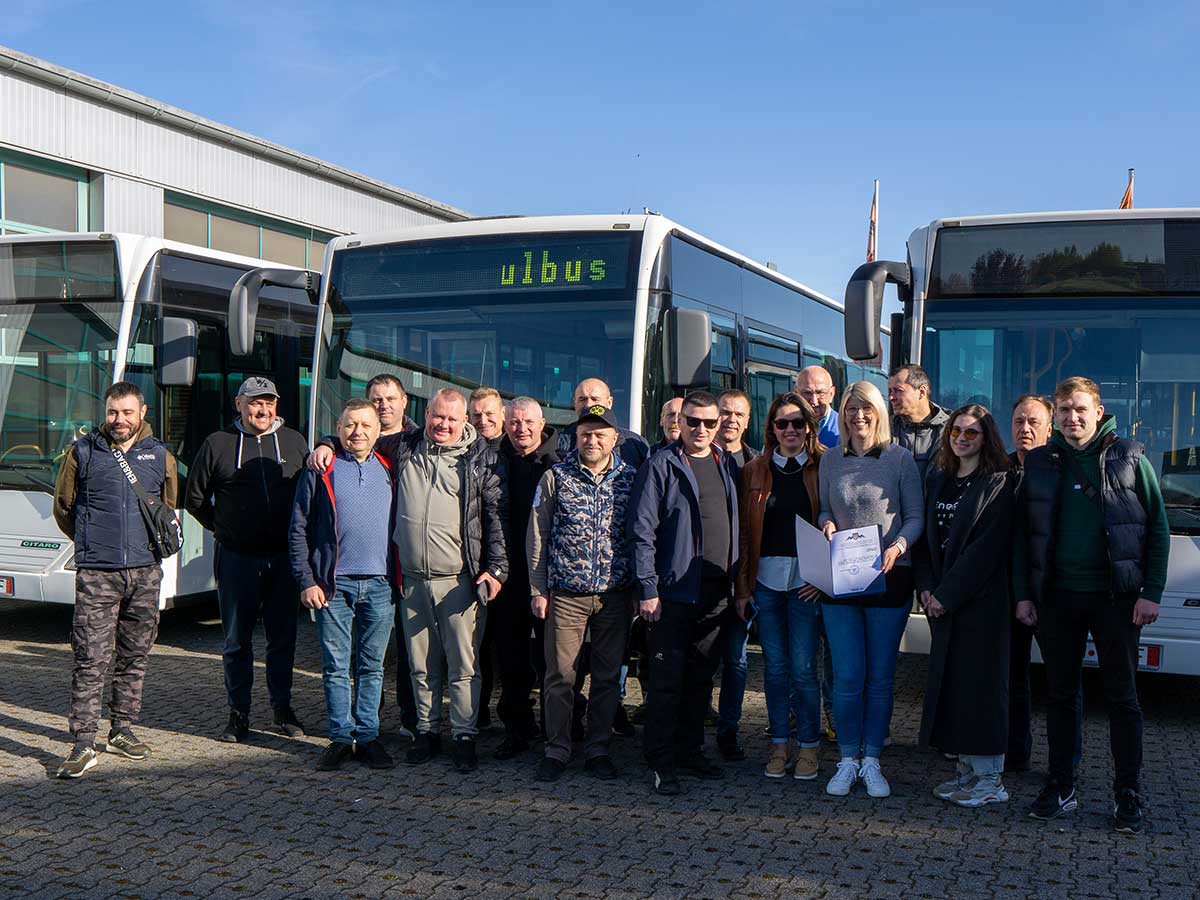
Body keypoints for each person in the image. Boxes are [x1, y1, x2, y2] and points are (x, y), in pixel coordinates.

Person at [1015, 377, 1169, 833]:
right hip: (1058, 598)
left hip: (1116, 600)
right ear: (1055, 415)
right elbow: (1025, 536)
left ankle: (1128, 793)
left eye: (1080, 409)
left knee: (1123, 698)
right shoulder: (1040, 462)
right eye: (1063, 410)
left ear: (1099, 412)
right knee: (1061, 696)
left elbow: (1157, 528)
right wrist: (1025, 594)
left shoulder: (1130, 457)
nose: (1071, 418)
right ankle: (1061, 785)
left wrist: (1151, 592)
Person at [51, 382, 179, 778]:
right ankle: (84, 742)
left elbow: (168, 508)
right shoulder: (83, 452)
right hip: (97, 573)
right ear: (105, 413)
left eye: (126, 412)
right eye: (112, 412)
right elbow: (63, 506)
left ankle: (122, 729)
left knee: (135, 656)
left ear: (142, 413)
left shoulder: (160, 456)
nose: (118, 420)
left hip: (145, 571)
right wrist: (93, 542)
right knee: (89, 659)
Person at [185, 376, 308, 743]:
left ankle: (282, 708)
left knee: (282, 640)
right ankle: (238, 713)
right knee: (237, 641)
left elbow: (307, 496)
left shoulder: (294, 442)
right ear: (239, 404)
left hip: (283, 559)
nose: (263, 409)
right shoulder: (217, 444)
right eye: (255, 402)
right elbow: (194, 499)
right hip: (237, 559)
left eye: (269, 402)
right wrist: (225, 529)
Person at [629, 390, 738, 795]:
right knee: (666, 681)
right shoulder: (662, 464)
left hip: (716, 593)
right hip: (672, 594)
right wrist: (648, 588)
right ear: (681, 422)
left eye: (710, 423)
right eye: (694, 422)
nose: (702, 430)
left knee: (700, 679)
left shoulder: (725, 462)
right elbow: (641, 531)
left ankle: (691, 750)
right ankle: (660, 760)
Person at [818, 381, 923, 798]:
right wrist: (826, 521)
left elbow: (915, 517)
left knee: (880, 678)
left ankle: (873, 760)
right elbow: (826, 506)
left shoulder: (900, 459)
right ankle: (847, 759)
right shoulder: (831, 460)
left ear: (879, 413)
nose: (857, 416)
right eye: (850, 409)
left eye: (865, 409)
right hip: (842, 578)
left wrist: (899, 545)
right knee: (847, 677)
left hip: (889, 576)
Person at [527, 404, 637, 781]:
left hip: (614, 594)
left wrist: (638, 588)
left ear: (615, 439)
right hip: (565, 595)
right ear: (576, 437)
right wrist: (538, 588)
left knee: (607, 677)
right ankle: (557, 749)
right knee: (560, 676)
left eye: (600, 434)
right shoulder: (556, 477)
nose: (592, 440)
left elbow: (638, 537)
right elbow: (538, 535)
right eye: (585, 433)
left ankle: (599, 748)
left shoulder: (631, 478)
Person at [914, 404, 1015, 807]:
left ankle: (991, 781)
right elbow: (924, 540)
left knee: (982, 692)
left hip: (981, 606)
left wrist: (946, 595)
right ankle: (966, 773)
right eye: (956, 430)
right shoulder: (939, 478)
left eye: (971, 433)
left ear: (986, 438)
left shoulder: (1000, 483)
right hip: (942, 604)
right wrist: (925, 589)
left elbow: (986, 551)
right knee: (955, 691)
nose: (961, 438)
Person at [289, 399, 396, 772]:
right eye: (350, 425)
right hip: (333, 586)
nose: (358, 432)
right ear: (338, 427)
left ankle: (367, 737)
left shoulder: (389, 468)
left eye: (366, 425)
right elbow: (298, 529)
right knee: (335, 666)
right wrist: (306, 580)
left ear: (378, 431)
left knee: (372, 666)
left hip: (381, 585)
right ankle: (339, 737)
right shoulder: (322, 469)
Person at [735, 391, 825, 780]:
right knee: (774, 669)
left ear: (809, 428)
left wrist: (822, 578)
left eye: (798, 423)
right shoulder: (754, 470)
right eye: (782, 423)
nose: (790, 429)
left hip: (807, 583)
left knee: (804, 669)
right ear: (771, 428)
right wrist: (743, 587)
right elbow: (743, 533)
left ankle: (808, 746)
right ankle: (778, 744)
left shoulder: (823, 467)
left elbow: (833, 522)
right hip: (766, 582)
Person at [1006, 393, 1083, 774]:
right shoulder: (998, 469)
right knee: (1012, 677)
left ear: (1049, 428)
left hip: (1051, 592)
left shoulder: (1061, 468)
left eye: (1034, 422)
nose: (1025, 429)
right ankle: (1015, 753)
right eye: (1019, 421)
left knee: (1061, 681)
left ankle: (1065, 763)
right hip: (1008, 593)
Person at [492, 398, 559, 759]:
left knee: (553, 661)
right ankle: (516, 730)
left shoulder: (559, 463)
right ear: (505, 424)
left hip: (550, 580)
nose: (522, 428)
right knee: (512, 660)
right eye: (515, 422)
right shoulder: (493, 460)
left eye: (528, 422)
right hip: (506, 578)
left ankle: (556, 732)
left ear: (542, 423)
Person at [364, 375, 419, 738]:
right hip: (369, 558)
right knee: (369, 646)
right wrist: (322, 443)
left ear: (404, 402)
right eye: (376, 399)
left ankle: (410, 719)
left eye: (390, 398)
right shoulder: (357, 438)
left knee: (410, 646)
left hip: (408, 557)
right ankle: (368, 716)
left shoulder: (420, 441)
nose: (384, 405)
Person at [711, 388, 757, 760]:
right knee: (700, 661)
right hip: (705, 579)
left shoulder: (757, 464)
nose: (731, 420)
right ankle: (691, 729)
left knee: (736, 661)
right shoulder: (698, 457)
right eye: (725, 412)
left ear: (748, 420)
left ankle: (728, 730)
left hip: (740, 580)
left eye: (739, 414)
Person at [795, 366, 840, 739]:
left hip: (837, 558)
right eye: (807, 392)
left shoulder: (845, 433)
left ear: (832, 392)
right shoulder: (787, 426)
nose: (814, 399)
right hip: (799, 557)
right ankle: (804, 716)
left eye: (820, 392)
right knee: (805, 649)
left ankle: (834, 718)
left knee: (836, 651)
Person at [556, 377, 650, 469]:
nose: (588, 404)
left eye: (595, 399)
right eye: (582, 399)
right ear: (574, 403)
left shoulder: (635, 445)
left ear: (609, 403)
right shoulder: (559, 442)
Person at [887, 364, 950, 482]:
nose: (891, 397)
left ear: (921, 392)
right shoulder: (885, 429)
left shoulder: (952, 430)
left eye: (898, 391)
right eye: (890, 391)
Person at [796, 365, 840, 450]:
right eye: (807, 393)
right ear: (796, 393)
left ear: (831, 394)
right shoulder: (784, 427)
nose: (814, 401)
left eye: (820, 393)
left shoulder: (844, 429)